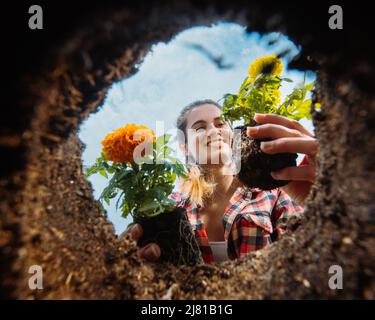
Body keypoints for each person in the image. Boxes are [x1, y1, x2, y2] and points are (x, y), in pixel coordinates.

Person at [124, 99, 317, 263]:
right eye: (200, 127)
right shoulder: (167, 207)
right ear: (184, 148)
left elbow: (309, 258)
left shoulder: (274, 192)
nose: (213, 131)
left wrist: (321, 198)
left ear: (234, 135)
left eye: (220, 124)